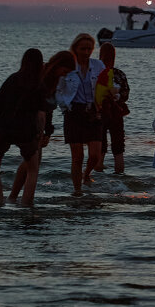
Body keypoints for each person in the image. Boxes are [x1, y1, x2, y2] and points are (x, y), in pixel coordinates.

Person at [9, 50, 76, 203]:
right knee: (33, 162)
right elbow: (41, 105)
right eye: (64, 72)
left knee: (31, 161)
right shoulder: (42, 77)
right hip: (30, 121)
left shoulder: (53, 79)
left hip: (39, 122)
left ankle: (14, 197)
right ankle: (25, 202)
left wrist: (48, 131)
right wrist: (43, 130)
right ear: (58, 65)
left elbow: (49, 107)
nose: (63, 76)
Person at [0, 49, 47, 205]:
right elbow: (41, 115)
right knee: (33, 169)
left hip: (4, 129)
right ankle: (27, 202)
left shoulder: (13, 79)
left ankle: (0, 199)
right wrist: (40, 133)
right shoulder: (39, 84)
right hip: (26, 131)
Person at [56, 33, 105, 194]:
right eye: (83, 48)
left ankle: (86, 174)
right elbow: (59, 89)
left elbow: (105, 85)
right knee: (77, 157)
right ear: (75, 48)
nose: (86, 52)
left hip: (94, 111)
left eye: (89, 48)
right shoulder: (69, 67)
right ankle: (77, 191)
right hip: (74, 111)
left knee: (95, 155)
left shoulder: (98, 65)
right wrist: (65, 106)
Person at [94, 42, 131, 174]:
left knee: (100, 147)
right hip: (116, 113)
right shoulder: (119, 74)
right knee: (118, 148)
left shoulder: (96, 73)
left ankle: (98, 181)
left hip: (99, 113)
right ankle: (119, 177)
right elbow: (126, 95)